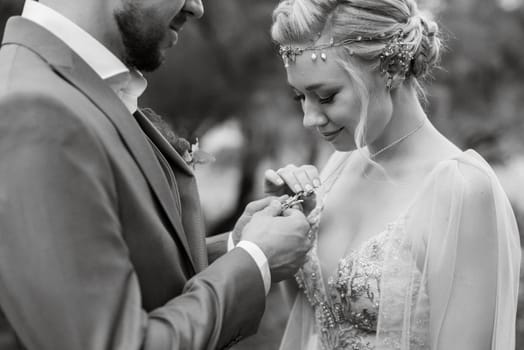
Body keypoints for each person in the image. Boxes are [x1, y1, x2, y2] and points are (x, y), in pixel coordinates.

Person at [0, 0, 313, 349]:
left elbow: (118, 267)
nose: (197, 8)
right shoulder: (34, 110)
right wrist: (256, 262)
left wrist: (238, 246)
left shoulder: (77, 87)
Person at [265, 0, 522, 349]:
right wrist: (290, 224)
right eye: (300, 97)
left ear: (392, 71)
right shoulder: (339, 167)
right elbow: (310, 317)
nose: (309, 118)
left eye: (325, 97)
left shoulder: (463, 190)